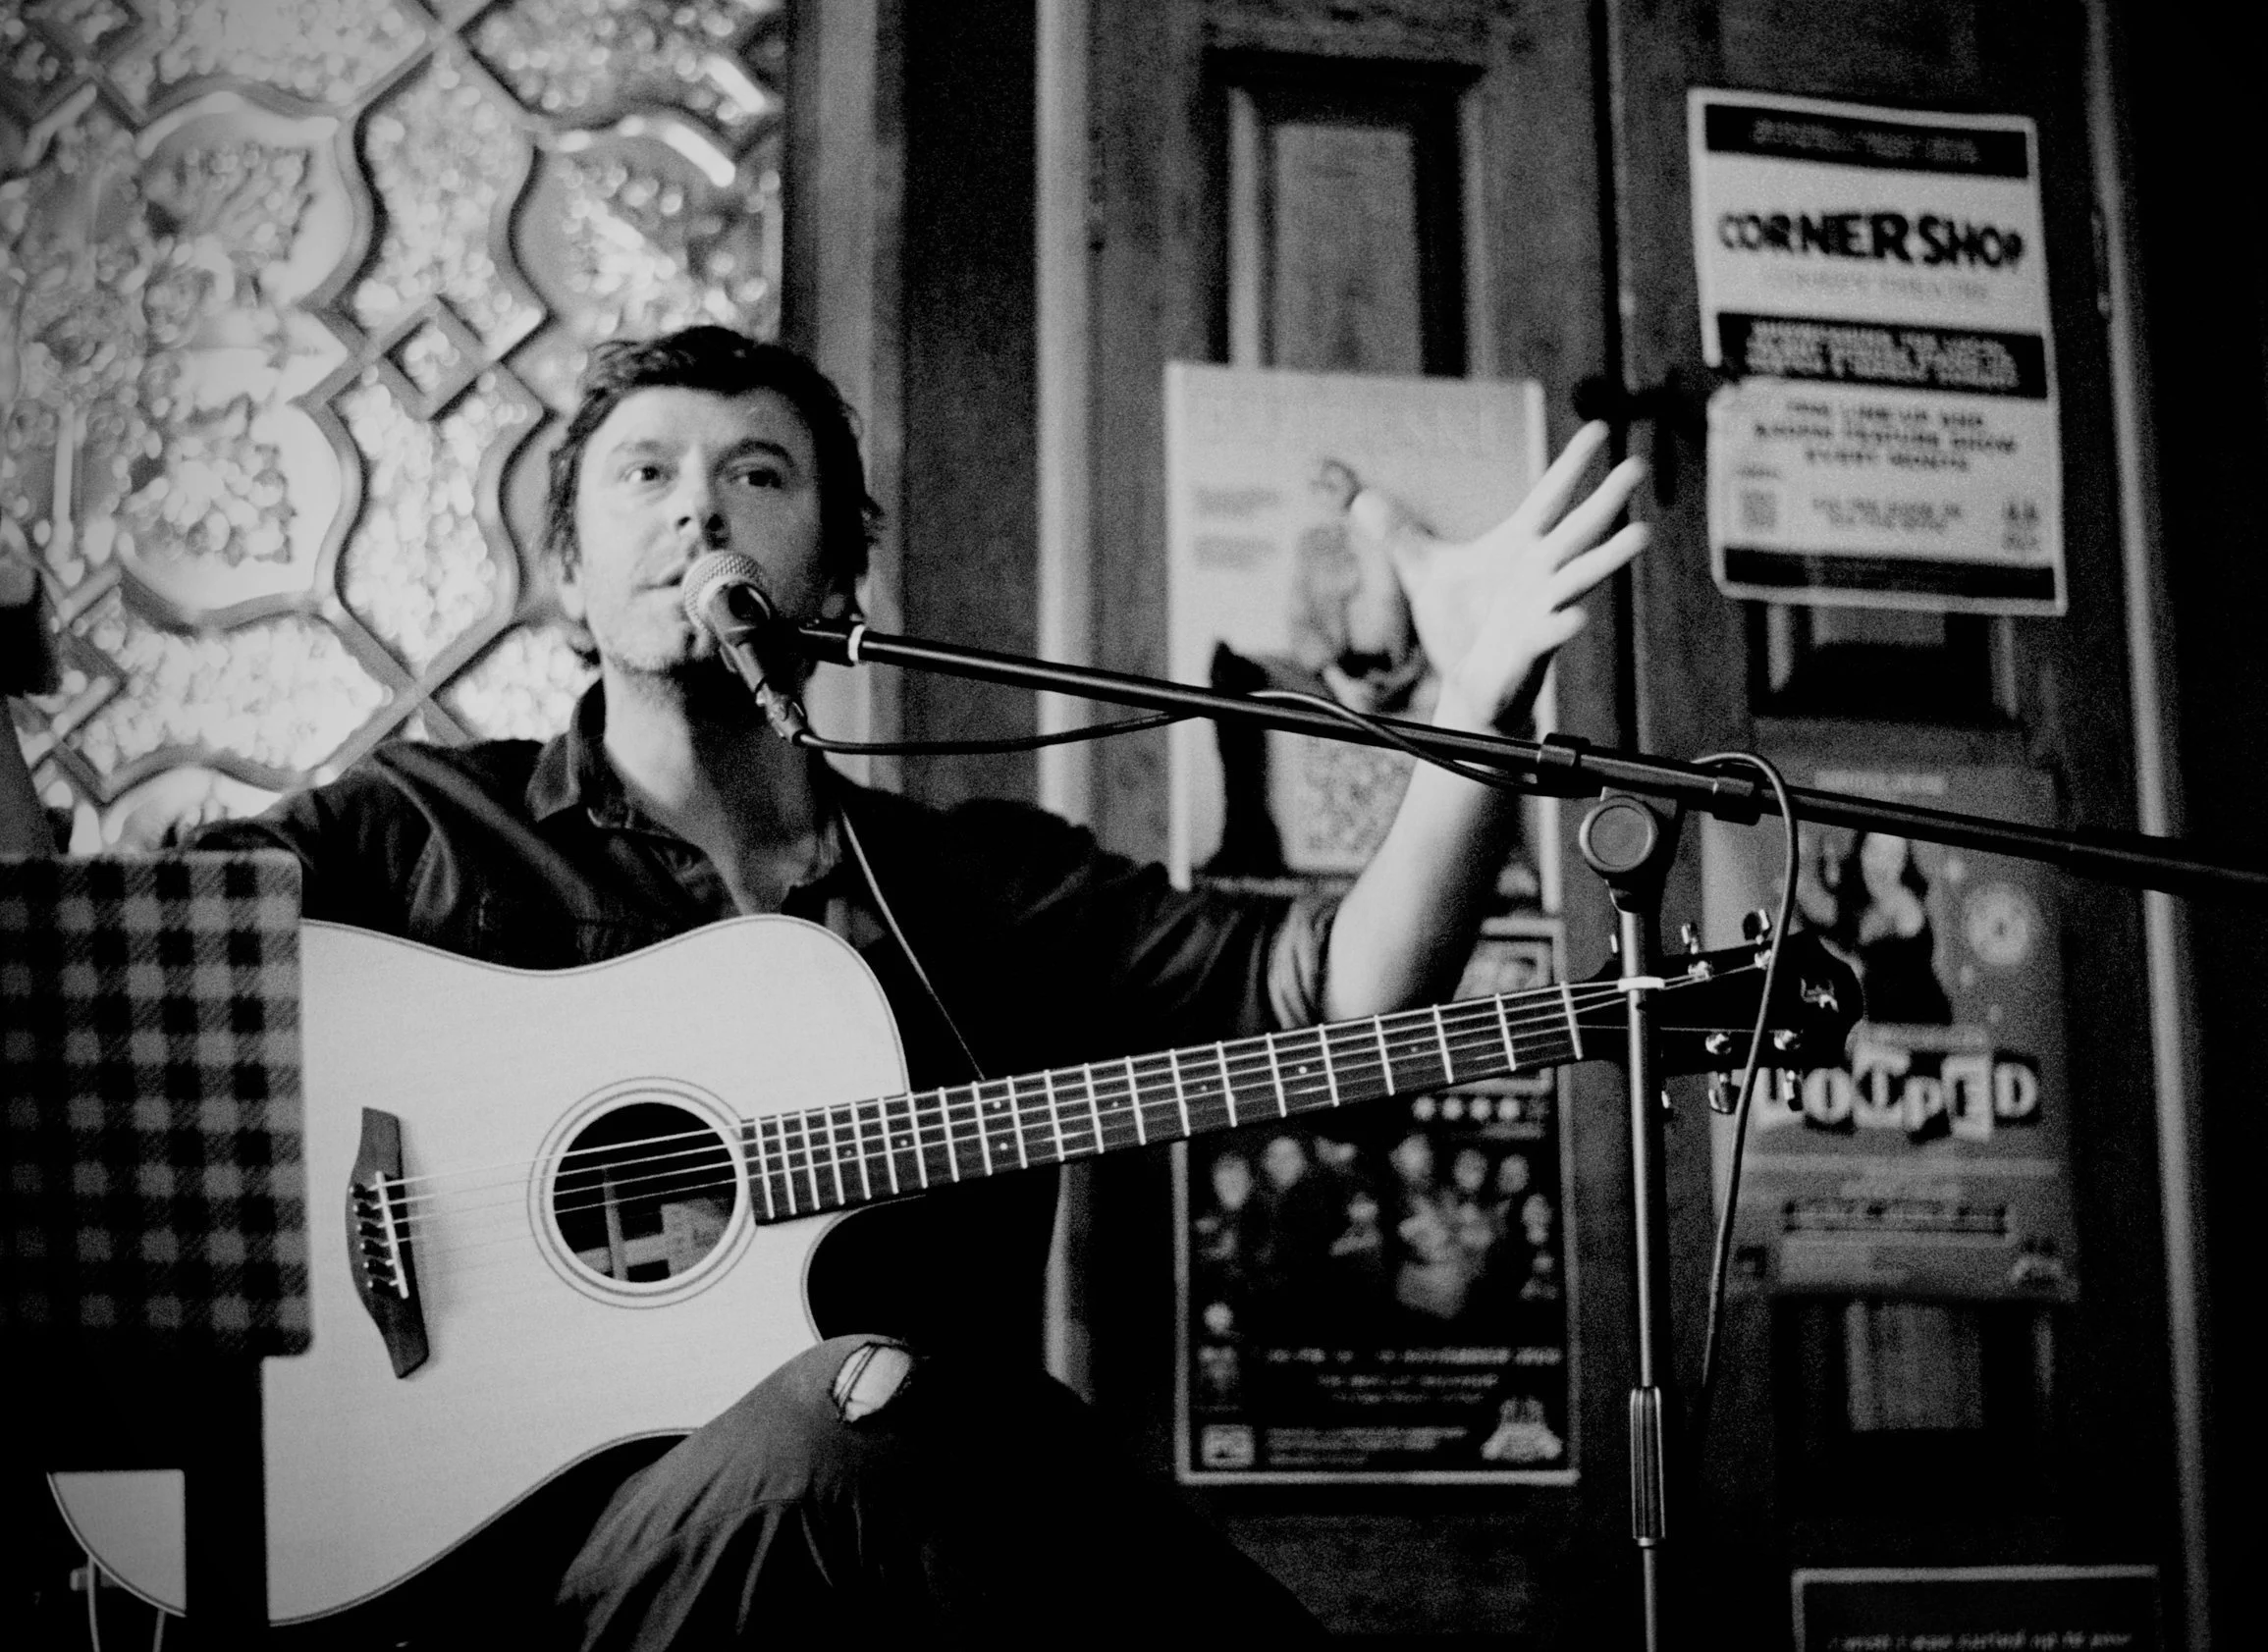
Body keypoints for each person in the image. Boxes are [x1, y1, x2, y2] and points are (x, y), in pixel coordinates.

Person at [192, 325, 1647, 1643]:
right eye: (644, 473)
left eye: (757, 473)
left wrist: (1475, 716)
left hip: (912, 1562)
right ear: (568, 570)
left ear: (835, 574)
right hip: (515, 1577)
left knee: (915, 1417)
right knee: (848, 1404)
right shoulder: (418, 831)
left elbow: (1346, 1004)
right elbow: (77, 987)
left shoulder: (975, 884)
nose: (698, 508)